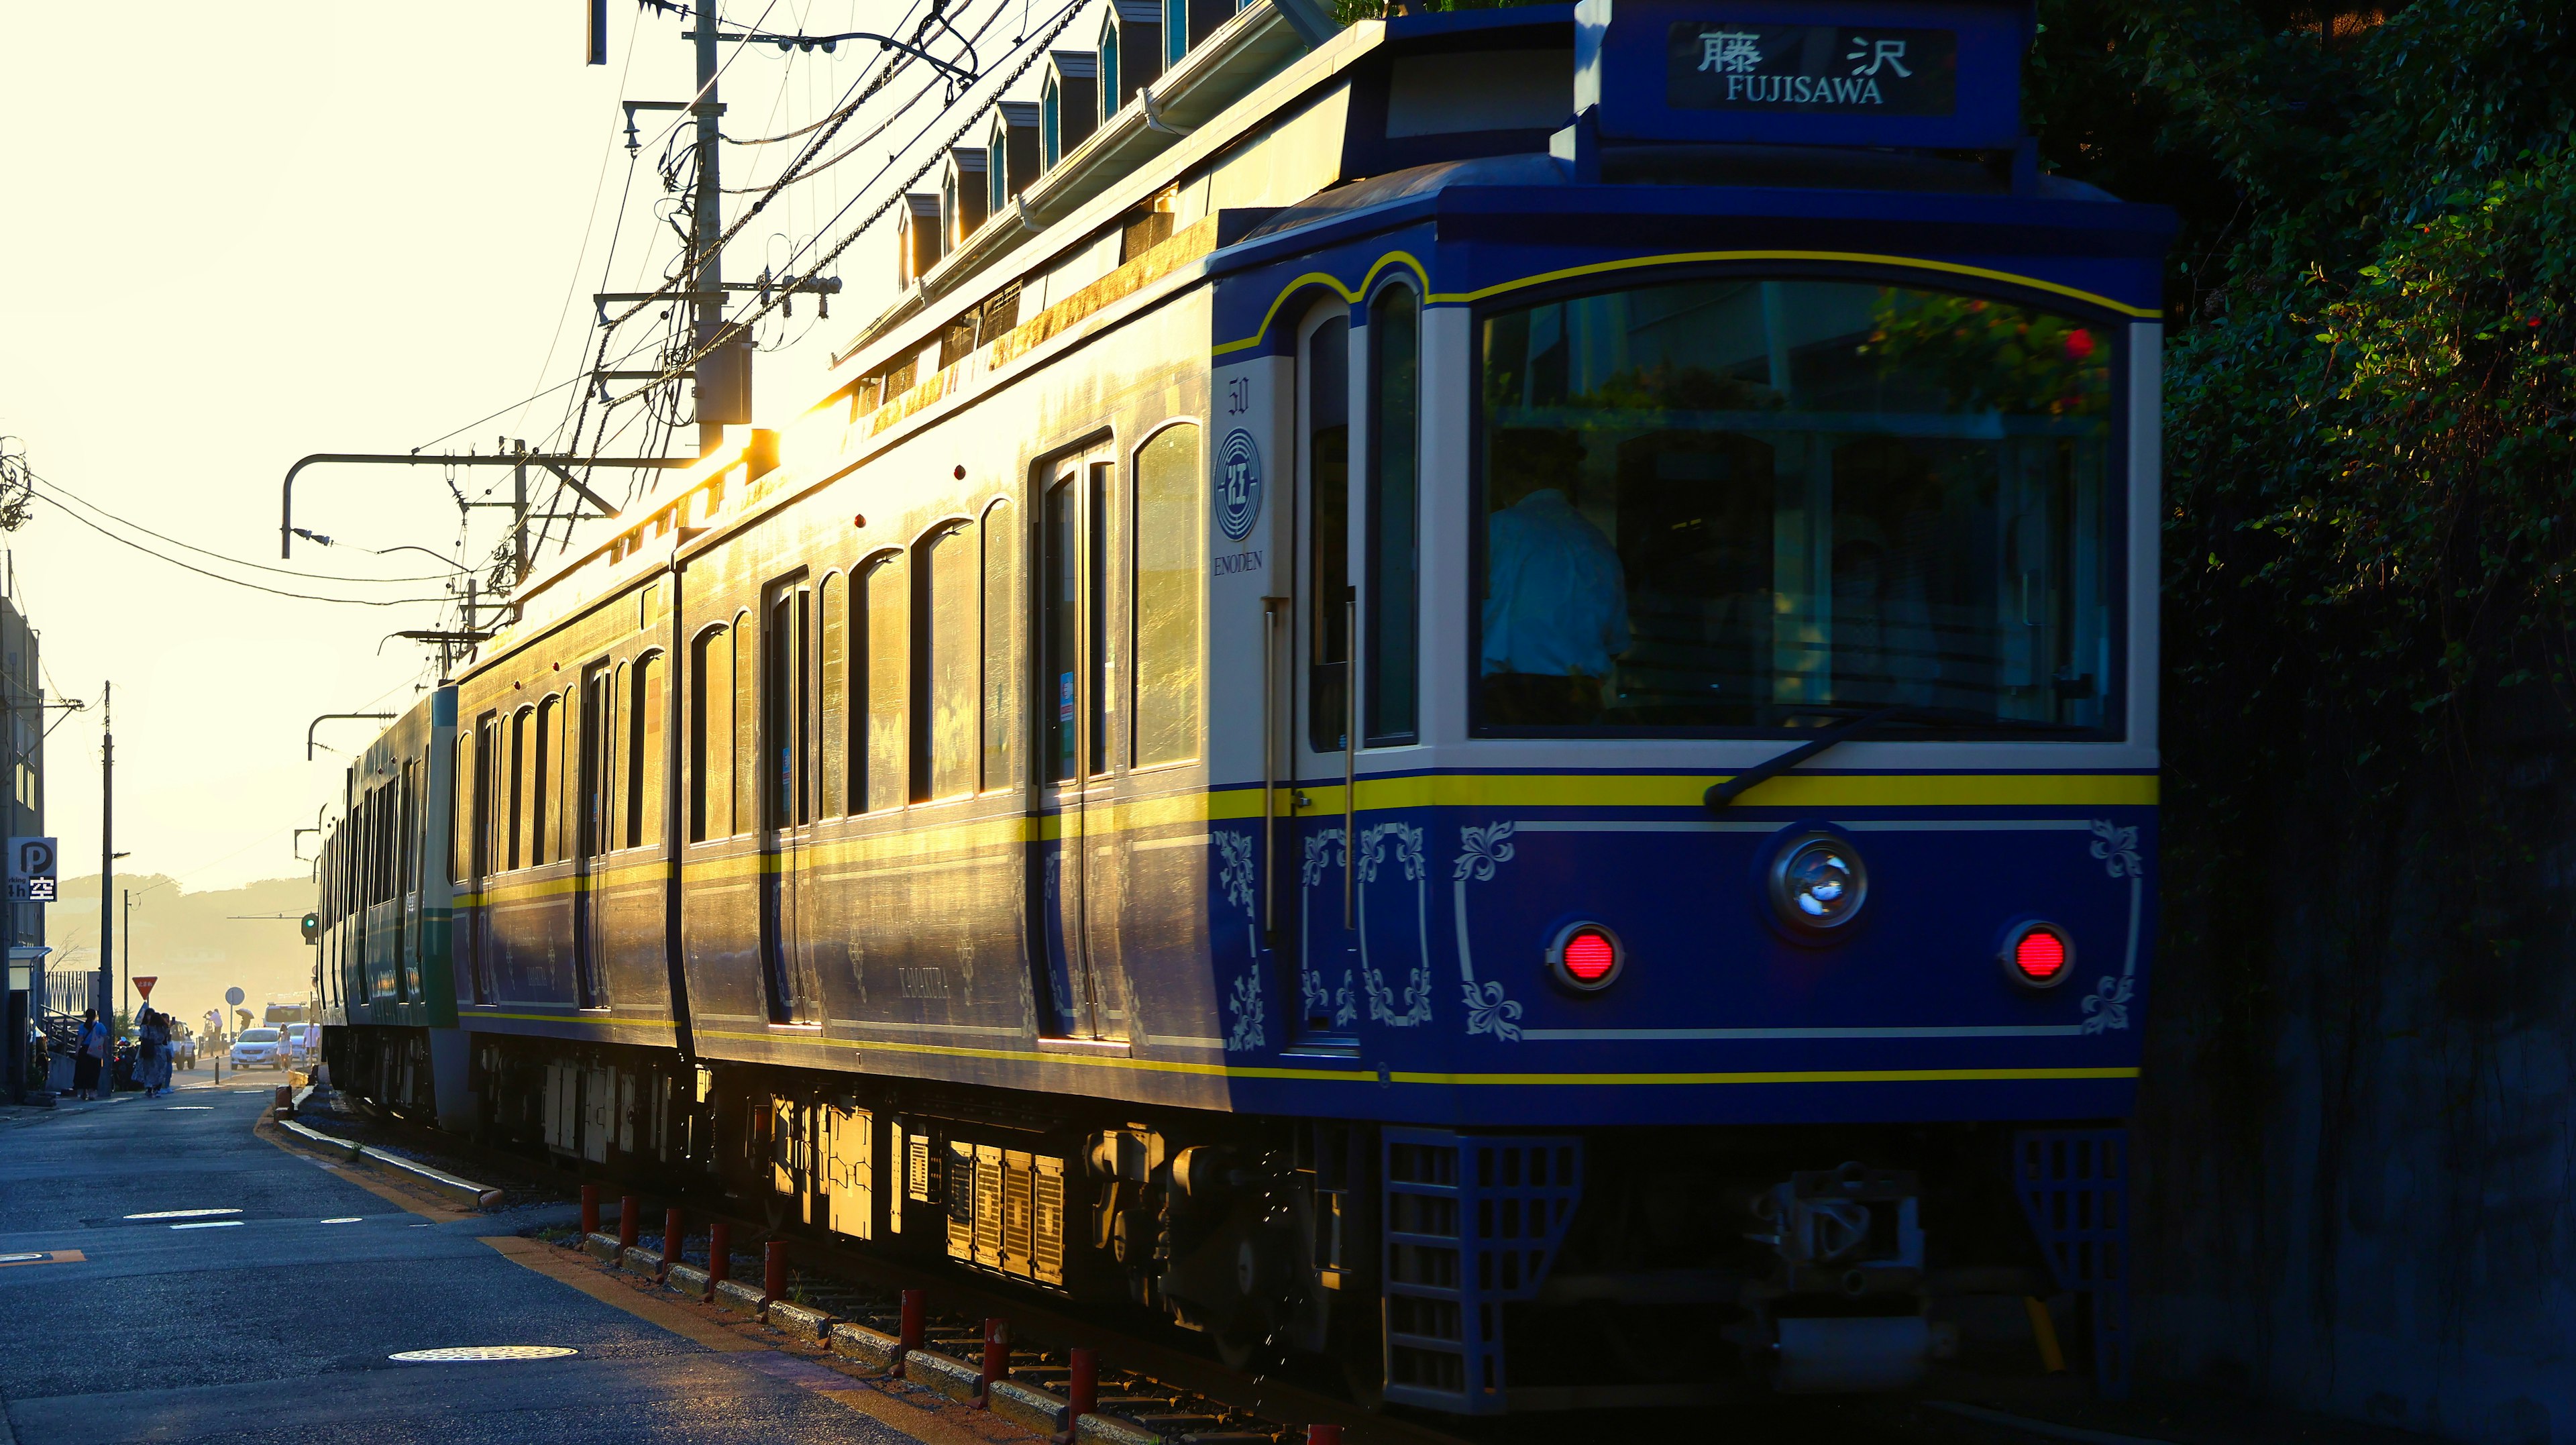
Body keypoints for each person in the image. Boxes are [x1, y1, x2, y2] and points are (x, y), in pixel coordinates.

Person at [1481, 428, 1631, 724]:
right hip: (1580, 699)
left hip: (1507, 699)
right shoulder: (1597, 542)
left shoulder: (1497, 530)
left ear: (1508, 476)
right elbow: (1614, 643)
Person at [136, 1007, 172, 1098]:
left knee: (149, 1070)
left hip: (149, 1050)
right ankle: (157, 1089)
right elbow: (166, 1037)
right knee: (160, 1070)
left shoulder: (146, 1028)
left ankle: (149, 1088)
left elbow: (142, 1037)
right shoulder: (163, 1029)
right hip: (160, 1050)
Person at [72, 1008, 107, 1101]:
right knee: (94, 1072)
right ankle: (92, 1092)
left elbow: (80, 1039)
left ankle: (84, 1091)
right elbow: (104, 1039)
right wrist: (105, 1050)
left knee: (83, 1072)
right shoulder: (100, 1026)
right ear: (95, 1016)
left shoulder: (82, 1027)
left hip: (85, 1051)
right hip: (95, 1051)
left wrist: (77, 1051)